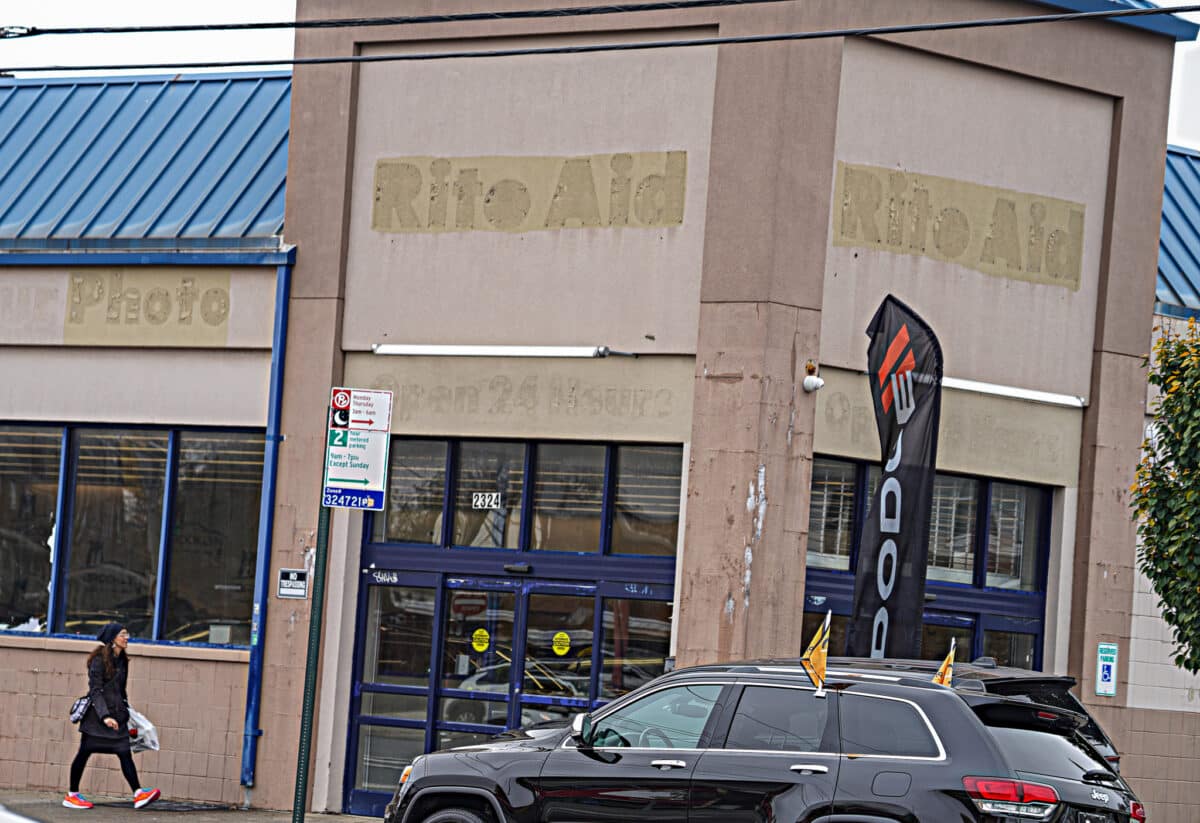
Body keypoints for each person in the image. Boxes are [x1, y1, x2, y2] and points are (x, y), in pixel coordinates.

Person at [62, 623, 161, 811]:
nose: (127, 637)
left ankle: (138, 793)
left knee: (124, 753)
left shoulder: (122, 659)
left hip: (118, 716)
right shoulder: (99, 661)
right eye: (123, 634)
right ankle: (72, 795)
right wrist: (105, 716)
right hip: (97, 718)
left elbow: (121, 690)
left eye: (126, 633)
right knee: (84, 753)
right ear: (112, 639)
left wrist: (125, 711)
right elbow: (95, 691)